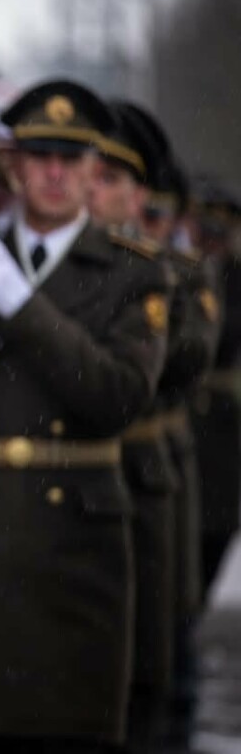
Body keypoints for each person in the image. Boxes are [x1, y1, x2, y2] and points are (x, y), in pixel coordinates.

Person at [0, 79, 171, 752]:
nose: (54, 171)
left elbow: (115, 395)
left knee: (65, 730)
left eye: (71, 158)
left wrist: (23, 307)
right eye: (40, 155)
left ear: (92, 171)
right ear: (14, 165)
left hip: (74, 548)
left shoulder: (133, 274)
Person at [87, 102, 191, 749]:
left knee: (143, 666)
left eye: (111, 178)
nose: (94, 190)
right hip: (59, 495)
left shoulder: (162, 275)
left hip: (136, 479)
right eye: (88, 172)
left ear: (140, 192)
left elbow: (173, 365)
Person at [189, 175, 241, 593]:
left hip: (226, 431)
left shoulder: (235, 280)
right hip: (183, 420)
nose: (211, 240)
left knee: (214, 534)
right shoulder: (173, 269)